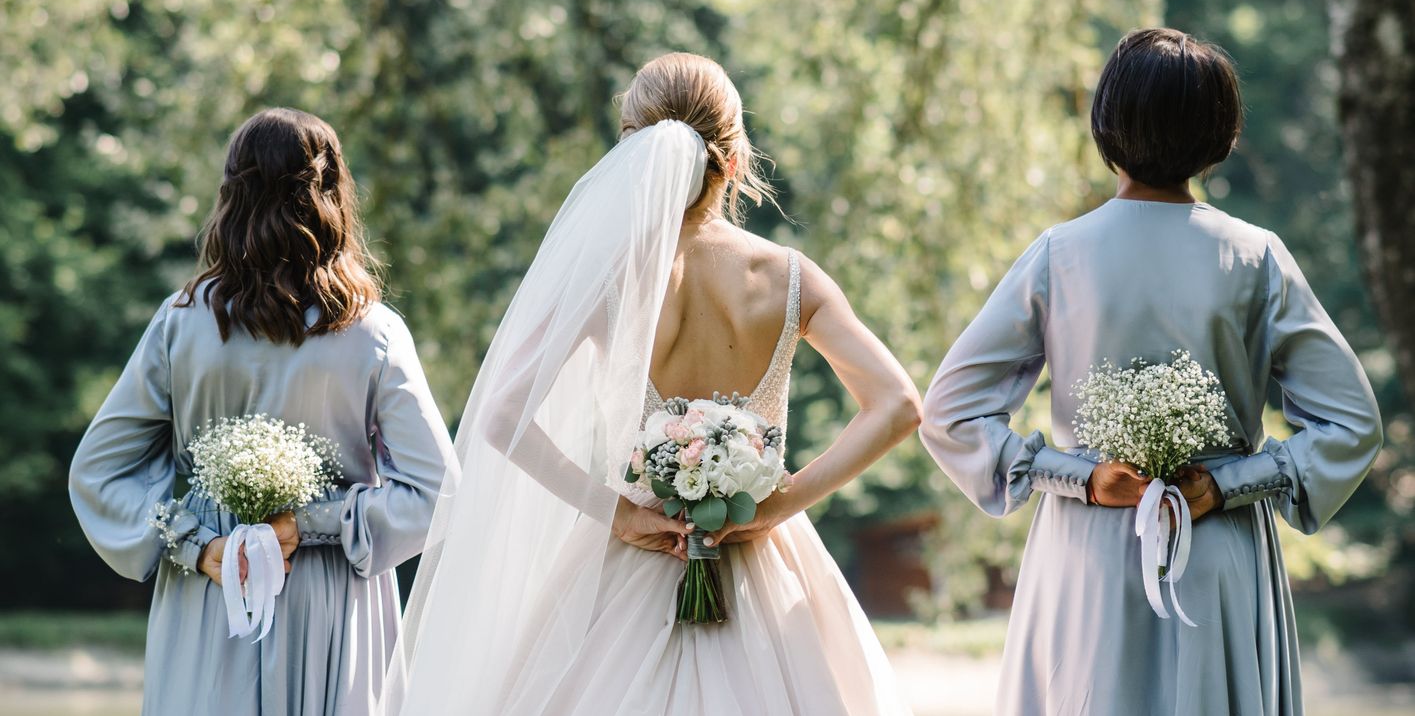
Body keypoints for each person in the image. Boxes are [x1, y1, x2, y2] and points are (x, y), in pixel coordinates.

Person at [383, 53, 921, 715]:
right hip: (760, 564)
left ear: (632, 156)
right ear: (735, 157)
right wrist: (779, 503)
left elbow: (501, 416)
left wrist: (620, 514)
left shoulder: (611, 279)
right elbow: (896, 406)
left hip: (631, 560)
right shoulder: (786, 277)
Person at [921, 28, 1383, 715]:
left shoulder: (1058, 254)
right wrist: (1224, 486)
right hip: (1216, 552)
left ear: (1105, 125)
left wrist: (1079, 477)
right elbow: (1351, 423)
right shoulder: (1255, 257)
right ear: (1219, 132)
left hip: (1087, 548)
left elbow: (948, 411)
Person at [69, 107, 454, 715]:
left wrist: (194, 543)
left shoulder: (181, 322)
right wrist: (313, 524)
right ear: (332, 196)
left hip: (212, 590)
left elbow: (97, 473)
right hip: (328, 599)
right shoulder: (374, 334)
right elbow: (439, 493)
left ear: (232, 194)